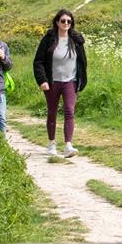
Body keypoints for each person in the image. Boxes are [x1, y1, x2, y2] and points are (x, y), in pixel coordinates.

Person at [33, 9, 88, 157]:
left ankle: (68, 145)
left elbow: (83, 62)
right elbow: (38, 62)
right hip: (52, 82)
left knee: (70, 111)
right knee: (52, 111)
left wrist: (81, 80)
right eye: (63, 21)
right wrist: (42, 80)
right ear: (57, 22)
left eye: (69, 21)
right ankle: (51, 144)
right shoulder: (49, 39)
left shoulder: (76, 40)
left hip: (70, 81)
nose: (66, 24)